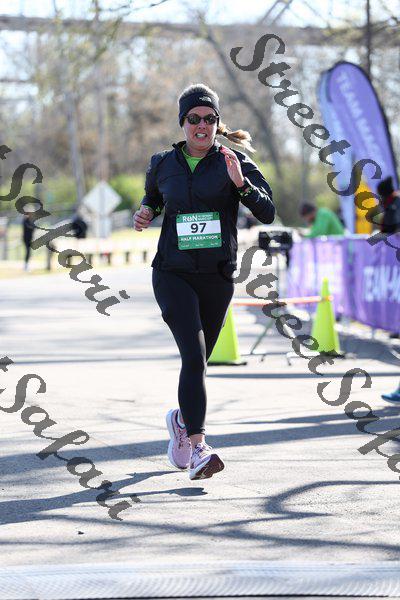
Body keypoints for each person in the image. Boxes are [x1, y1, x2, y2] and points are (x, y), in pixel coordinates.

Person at [133, 83, 274, 480]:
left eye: (209, 119)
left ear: (217, 122)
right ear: (183, 122)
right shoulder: (162, 163)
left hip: (216, 276)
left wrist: (241, 184)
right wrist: (145, 212)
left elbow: (268, 212)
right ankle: (198, 448)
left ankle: (181, 420)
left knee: (199, 362)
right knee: (194, 358)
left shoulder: (235, 161)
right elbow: (153, 198)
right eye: (193, 118)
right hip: (173, 273)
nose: (201, 125)